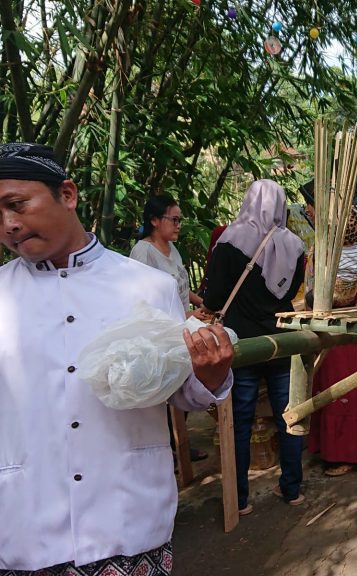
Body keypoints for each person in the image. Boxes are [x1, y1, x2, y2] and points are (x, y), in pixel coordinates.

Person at [0, 143, 233, 573]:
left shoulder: (147, 287)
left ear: (67, 195)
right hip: (26, 527)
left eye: (16, 205)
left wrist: (212, 375)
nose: (9, 225)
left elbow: (183, 392)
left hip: (128, 519)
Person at [202, 179, 306, 513]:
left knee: (239, 421)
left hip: (242, 345)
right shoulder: (294, 245)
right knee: (288, 416)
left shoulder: (230, 240)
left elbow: (215, 298)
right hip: (282, 340)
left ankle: (240, 499)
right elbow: (289, 295)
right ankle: (291, 489)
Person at [131, 195, 212, 463]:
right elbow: (143, 301)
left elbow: (179, 287)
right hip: (158, 334)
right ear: (155, 220)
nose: (178, 225)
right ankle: (168, 449)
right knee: (164, 392)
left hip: (182, 328)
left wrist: (203, 304)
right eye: (174, 219)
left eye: (180, 220)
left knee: (183, 384)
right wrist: (185, 313)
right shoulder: (142, 252)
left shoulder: (171, 249)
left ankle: (179, 445)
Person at [308, 209, 357, 476]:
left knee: (338, 388)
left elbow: (313, 288)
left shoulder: (325, 254)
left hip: (332, 323)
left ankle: (345, 453)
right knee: (337, 386)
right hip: (346, 323)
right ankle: (332, 448)